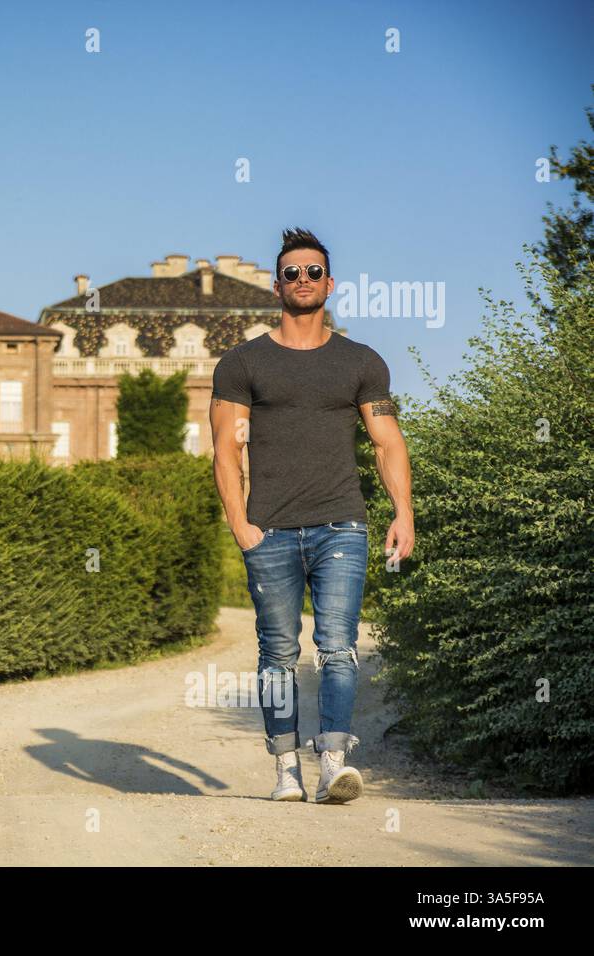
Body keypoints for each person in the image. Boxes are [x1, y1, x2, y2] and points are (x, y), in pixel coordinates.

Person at [208, 227, 414, 803]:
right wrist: (240, 524)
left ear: (330, 283)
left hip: (341, 524)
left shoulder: (360, 362)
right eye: (292, 273)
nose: (303, 280)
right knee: (277, 653)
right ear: (277, 285)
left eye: (313, 271)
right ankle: (284, 770)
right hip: (268, 529)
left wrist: (404, 512)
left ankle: (332, 763)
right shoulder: (243, 362)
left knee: (338, 647)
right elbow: (227, 448)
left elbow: (387, 442)